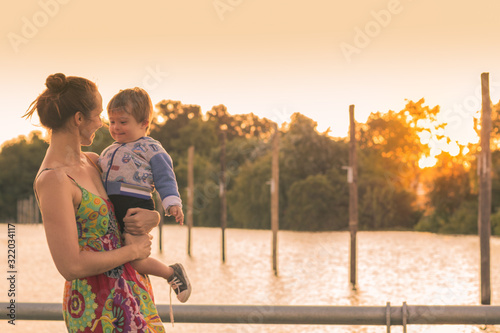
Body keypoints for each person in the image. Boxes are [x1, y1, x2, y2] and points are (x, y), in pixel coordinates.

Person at [24, 73, 166, 332]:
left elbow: (131, 201)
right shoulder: (54, 180)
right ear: (79, 119)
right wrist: (133, 252)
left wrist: (154, 216)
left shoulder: (92, 161)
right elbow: (70, 265)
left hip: (134, 290)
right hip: (97, 306)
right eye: (99, 115)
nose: (102, 123)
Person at [97, 87, 191, 303]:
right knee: (114, 253)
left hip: (136, 206)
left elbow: (165, 178)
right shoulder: (109, 149)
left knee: (136, 258)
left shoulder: (151, 148)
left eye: (122, 121)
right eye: (111, 122)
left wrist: (172, 203)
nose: (116, 127)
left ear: (144, 123)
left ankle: (172, 273)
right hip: (114, 207)